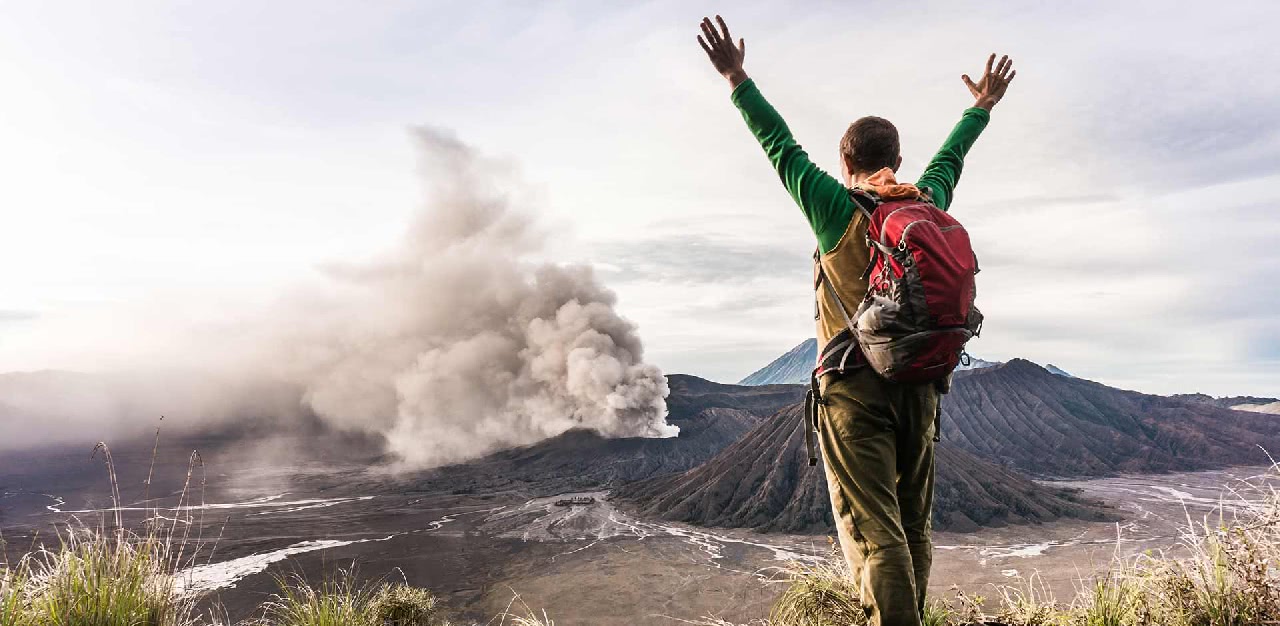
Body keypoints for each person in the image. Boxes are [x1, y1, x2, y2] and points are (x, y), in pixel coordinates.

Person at [696, 15, 1015, 626]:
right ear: (897, 159)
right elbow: (953, 157)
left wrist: (737, 78)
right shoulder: (925, 203)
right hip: (921, 385)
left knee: (874, 531)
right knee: (913, 521)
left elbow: (778, 146)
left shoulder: (833, 207)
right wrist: (982, 106)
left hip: (852, 391)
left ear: (846, 163)